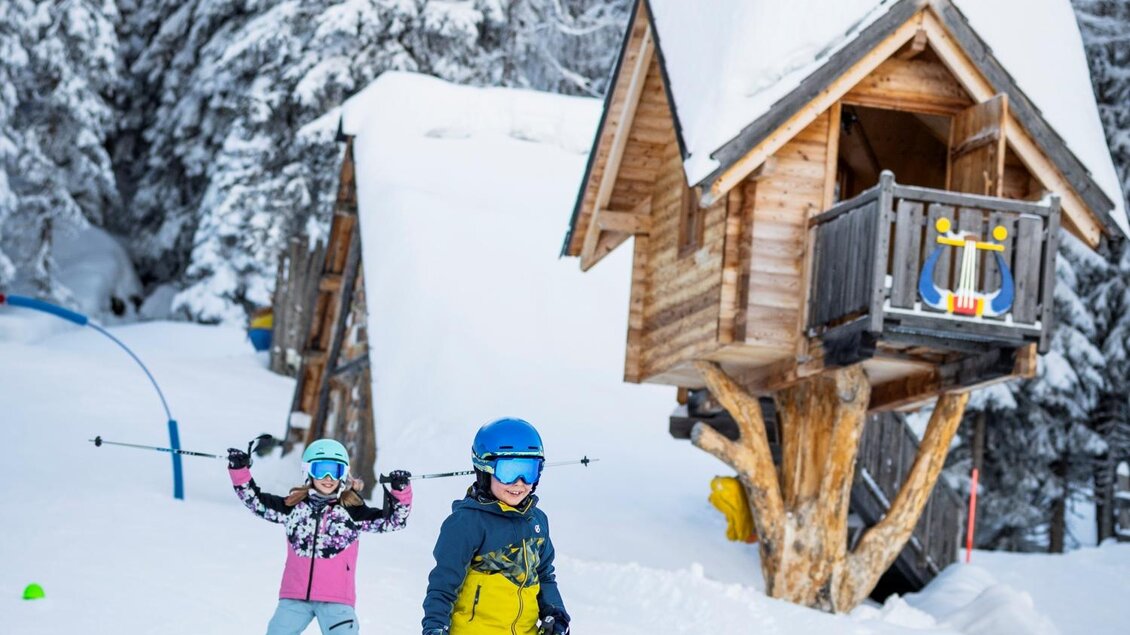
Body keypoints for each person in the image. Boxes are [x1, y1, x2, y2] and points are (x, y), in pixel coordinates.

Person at [227, 438, 412, 634]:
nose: (328, 477)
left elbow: (393, 521)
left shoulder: (352, 510)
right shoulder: (293, 507)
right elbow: (256, 502)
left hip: (336, 600)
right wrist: (239, 470)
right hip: (295, 598)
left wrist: (400, 491)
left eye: (335, 471)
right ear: (308, 471)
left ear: (343, 474)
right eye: (321, 469)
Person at [422, 418, 570, 635]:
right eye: (509, 471)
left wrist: (556, 614)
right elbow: (443, 586)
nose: (519, 482)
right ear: (485, 470)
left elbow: (544, 575)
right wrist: (435, 628)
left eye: (528, 471)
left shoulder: (537, 521)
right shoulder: (466, 523)